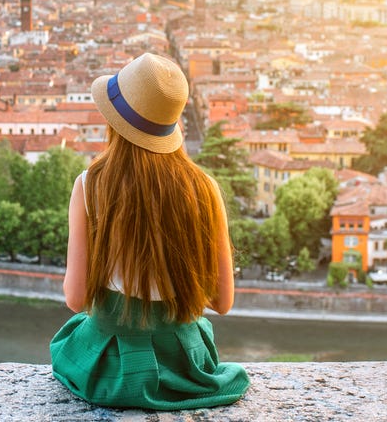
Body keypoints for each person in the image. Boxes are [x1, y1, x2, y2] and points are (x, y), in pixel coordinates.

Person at [50, 53, 249, 411]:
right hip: (184, 364)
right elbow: (223, 302)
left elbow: (76, 299)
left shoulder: (88, 186)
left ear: (115, 123)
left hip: (113, 367)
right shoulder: (205, 189)